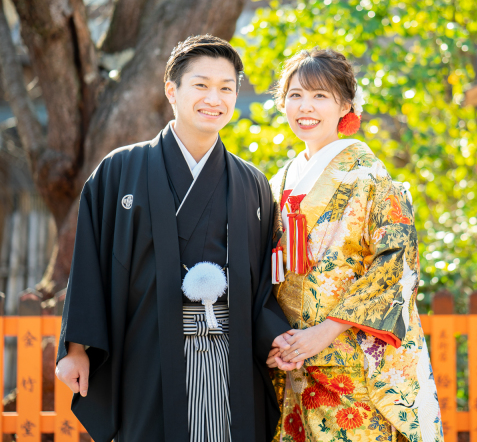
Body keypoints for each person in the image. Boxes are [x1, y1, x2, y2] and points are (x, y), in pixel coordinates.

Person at [55, 34, 293, 442]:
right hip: (147, 347)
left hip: (229, 350)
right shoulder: (119, 171)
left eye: (226, 88)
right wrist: (76, 348)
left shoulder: (251, 183)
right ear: (172, 90)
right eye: (201, 85)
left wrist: (272, 334)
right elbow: (89, 264)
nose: (213, 99)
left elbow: (261, 285)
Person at [265, 49, 443, 442]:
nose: (305, 107)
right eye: (295, 95)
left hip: (351, 361)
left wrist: (326, 331)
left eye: (320, 96)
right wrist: (272, 336)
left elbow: (396, 263)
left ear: (345, 105)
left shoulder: (369, 176)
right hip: (293, 361)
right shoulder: (277, 182)